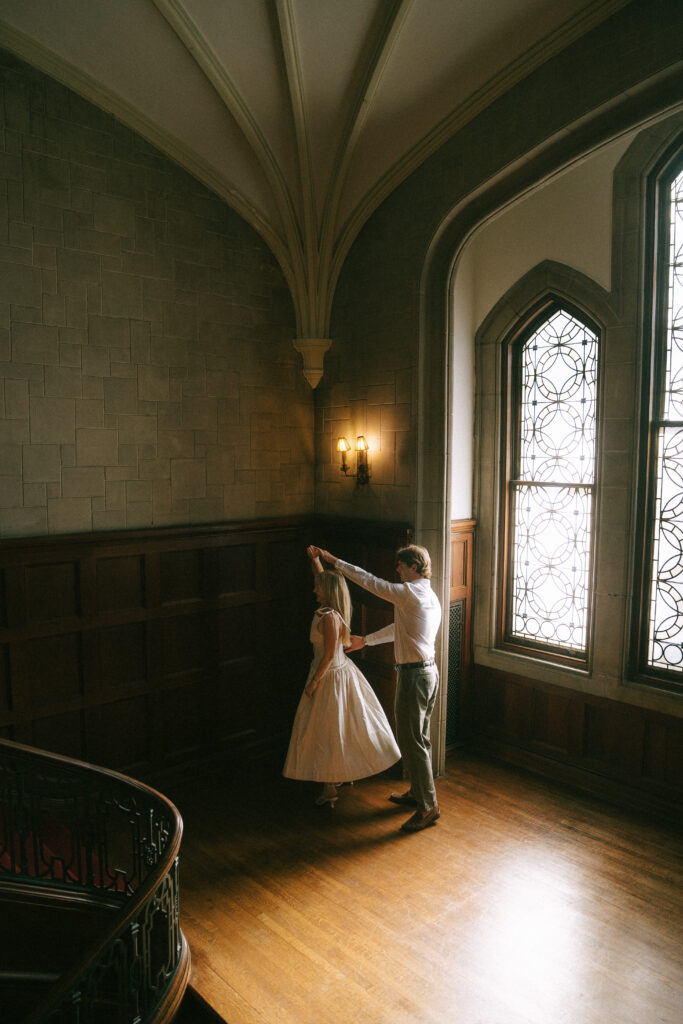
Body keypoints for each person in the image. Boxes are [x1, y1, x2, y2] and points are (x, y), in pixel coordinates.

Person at [309, 544, 441, 833]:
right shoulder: (427, 596)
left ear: (414, 567)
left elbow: (369, 581)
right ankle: (418, 794)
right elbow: (400, 629)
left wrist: (333, 560)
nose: (397, 571)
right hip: (428, 673)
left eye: (401, 566)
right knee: (418, 739)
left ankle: (428, 807)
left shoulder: (409, 593)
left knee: (413, 741)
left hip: (414, 676)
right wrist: (366, 640)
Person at [283, 547, 400, 807]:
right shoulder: (332, 609)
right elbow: (325, 581)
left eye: (319, 588)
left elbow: (326, 656)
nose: (315, 590)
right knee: (338, 728)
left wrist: (314, 683)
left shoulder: (329, 618)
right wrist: (315, 561)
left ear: (328, 592)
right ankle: (338, 777)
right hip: (336, 672)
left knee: (329, 731)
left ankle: (330, 787)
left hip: (331, 676)